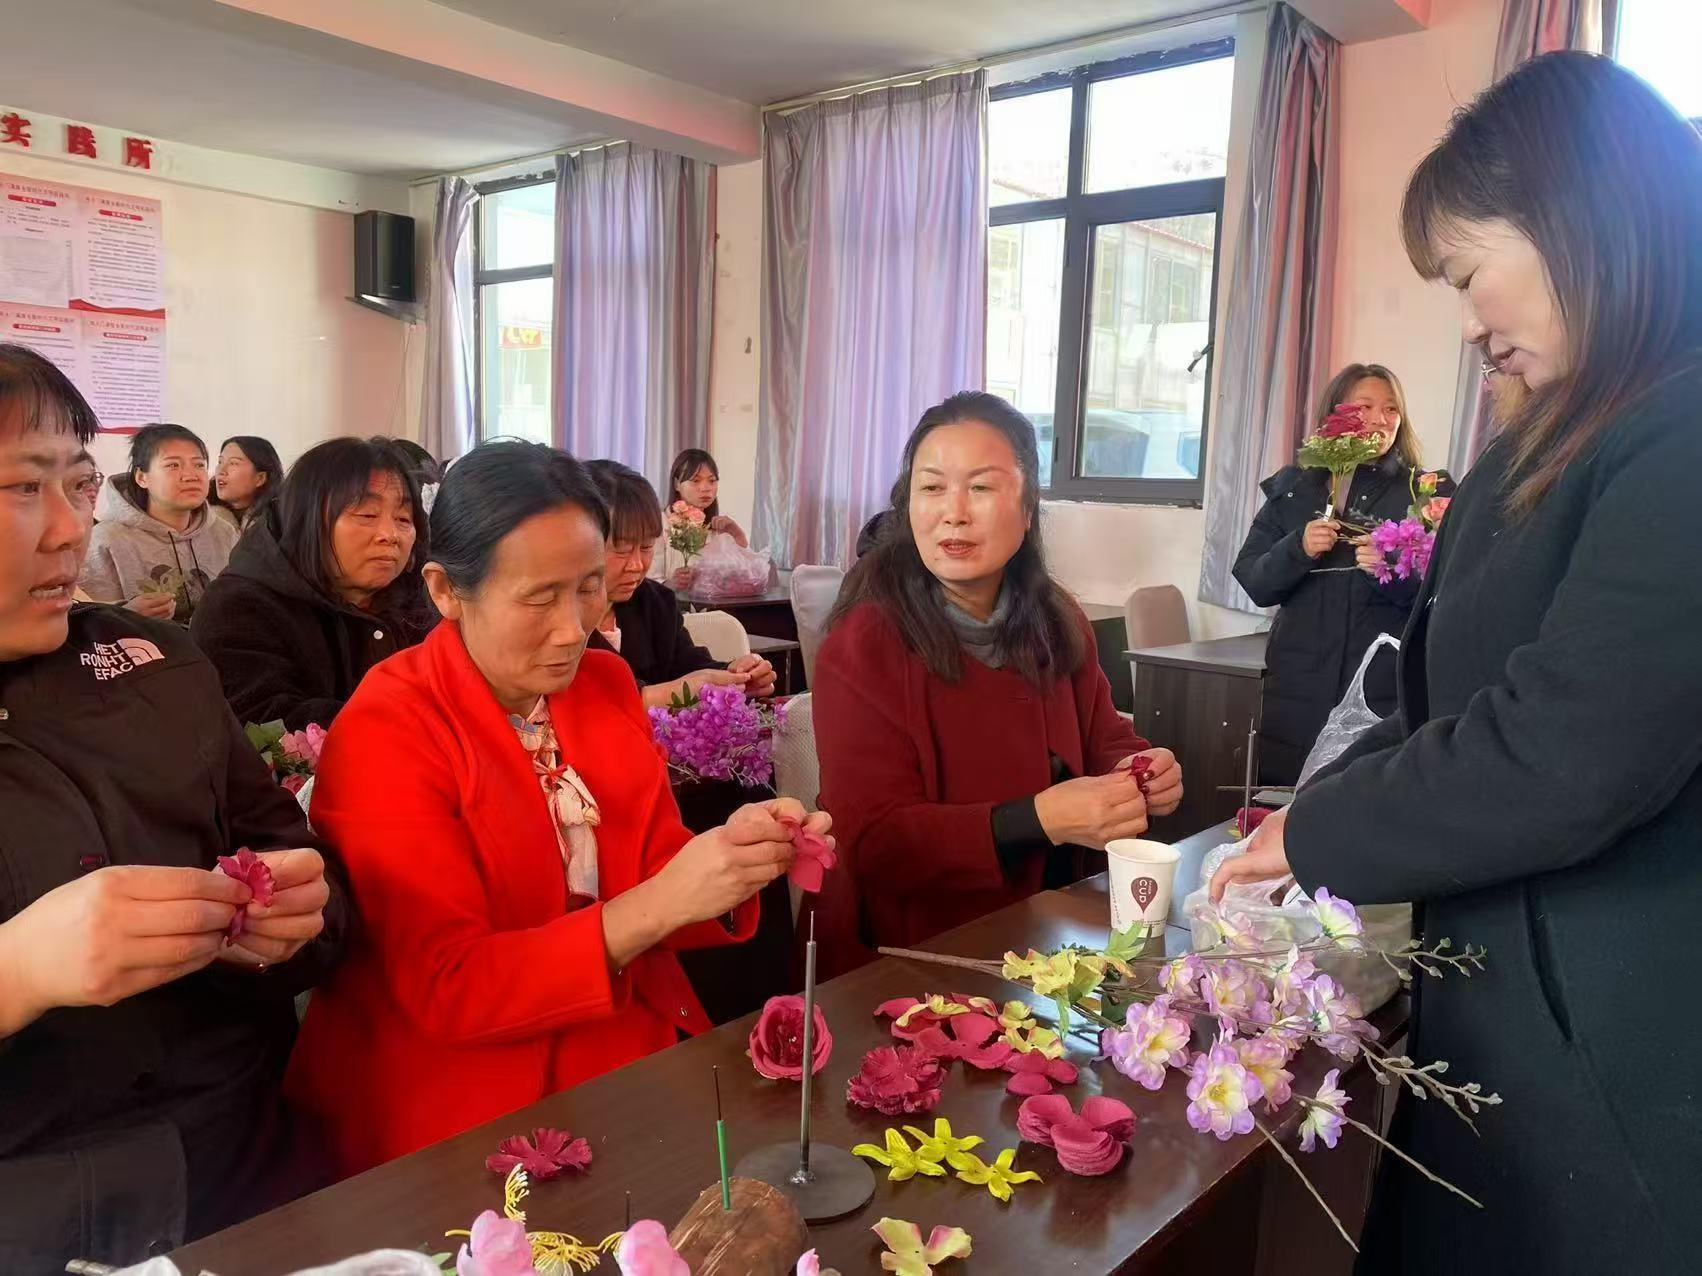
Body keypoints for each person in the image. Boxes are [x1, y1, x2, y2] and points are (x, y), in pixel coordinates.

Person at [1210, 53, 1702, 1273]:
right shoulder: (1563, 431)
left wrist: (1321, 830)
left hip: (1607, 1057)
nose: (1470, 322)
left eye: (1471, 272)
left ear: (1584, 223)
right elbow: (1446, 698)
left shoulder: (1679, 437)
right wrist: (1308, 815)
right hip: (1501, 1022)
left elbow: (1557, 750)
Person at [284, 440, 827, 1178]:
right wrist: (662, 902)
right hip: (459, 1098)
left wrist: (731, 858)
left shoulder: (602, 685)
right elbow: (449, 985)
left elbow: (655, 864)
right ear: (445, 591)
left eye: (590, 587)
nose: (574, 627)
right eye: (539, 597)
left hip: (617, 1044)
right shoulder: (390, 728)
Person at [0, 345, 347, 1271]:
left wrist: (293, 919)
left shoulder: (158, 663)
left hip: (246, 1159)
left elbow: (312, 881)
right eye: (24, 489)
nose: (70, 530)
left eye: (79, 485)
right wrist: (16, 972)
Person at [813, 392, 1182, 960]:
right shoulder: (863, 644)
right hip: (912, 953)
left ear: (1028, 508)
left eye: (981, 488)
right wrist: (1040, 819)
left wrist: (1139, 770)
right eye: (932, 488)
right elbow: (872, 843)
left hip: (1049, 931)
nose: (954, 512)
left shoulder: (1056, 619)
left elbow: (1103, 734)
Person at [1232, 365, 1454, 784]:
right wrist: (1297, 549)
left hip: (1380, 687)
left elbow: (1449, 587)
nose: (1380, 419)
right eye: (1365, 406)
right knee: (1282, 801)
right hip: (1297, 687)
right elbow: (1254, 581)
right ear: (1336, 413)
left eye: (1391, 409)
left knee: (1363, 801)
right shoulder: (1295, 489)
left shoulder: (1425, 491)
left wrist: (1392, 569)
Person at [191, 437, 435, 730]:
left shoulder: (422, 598)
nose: (390, 534)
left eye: (403, 519)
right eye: (367, 514)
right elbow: (263, 723)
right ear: (306, 518)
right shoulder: (237, 607)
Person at [585, 459, 775, 709]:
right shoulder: (563, 620)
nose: (637, 565)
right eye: (621, 550)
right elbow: (584, 704)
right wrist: (676, 691)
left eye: (646, 547)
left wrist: (736, 675)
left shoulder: (656, 602)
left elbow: (688, 664)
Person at [80, 422, 238, 623]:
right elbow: (87, 620)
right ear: (141, 478)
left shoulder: (224, 533)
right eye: (173, 465)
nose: (191, 476)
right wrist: (125, 614)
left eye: (199, 465)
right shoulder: (106, 540)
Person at [662, 447, 746, 587]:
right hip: (668, 600)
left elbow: (742, 577)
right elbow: (648, 581)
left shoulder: (718, 527)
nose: (706, 488)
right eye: (696, 480)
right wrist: (670, 584)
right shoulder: (660, 524)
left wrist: (738, 535)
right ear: (677, 484)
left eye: (712, 481)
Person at [210, 434, 284, 533]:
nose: (221, 470)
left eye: (233, 463)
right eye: (220, 462)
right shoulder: (201, 517)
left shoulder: (280, 521)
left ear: (260, 478)